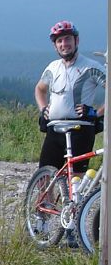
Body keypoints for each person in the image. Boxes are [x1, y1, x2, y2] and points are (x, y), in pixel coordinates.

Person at [34, 20, 106, 174]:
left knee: (76, 178)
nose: (64, 44)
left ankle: (72, 199)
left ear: (76, 40)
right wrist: (43, 109)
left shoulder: (91, 66)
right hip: (54, 128)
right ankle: (48, 200)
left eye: (67, 39)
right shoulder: (52, 67)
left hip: (80, 129)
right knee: (45, 176)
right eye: (59, 41)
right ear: (55, 46)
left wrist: (96, 113)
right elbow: (40, 89)